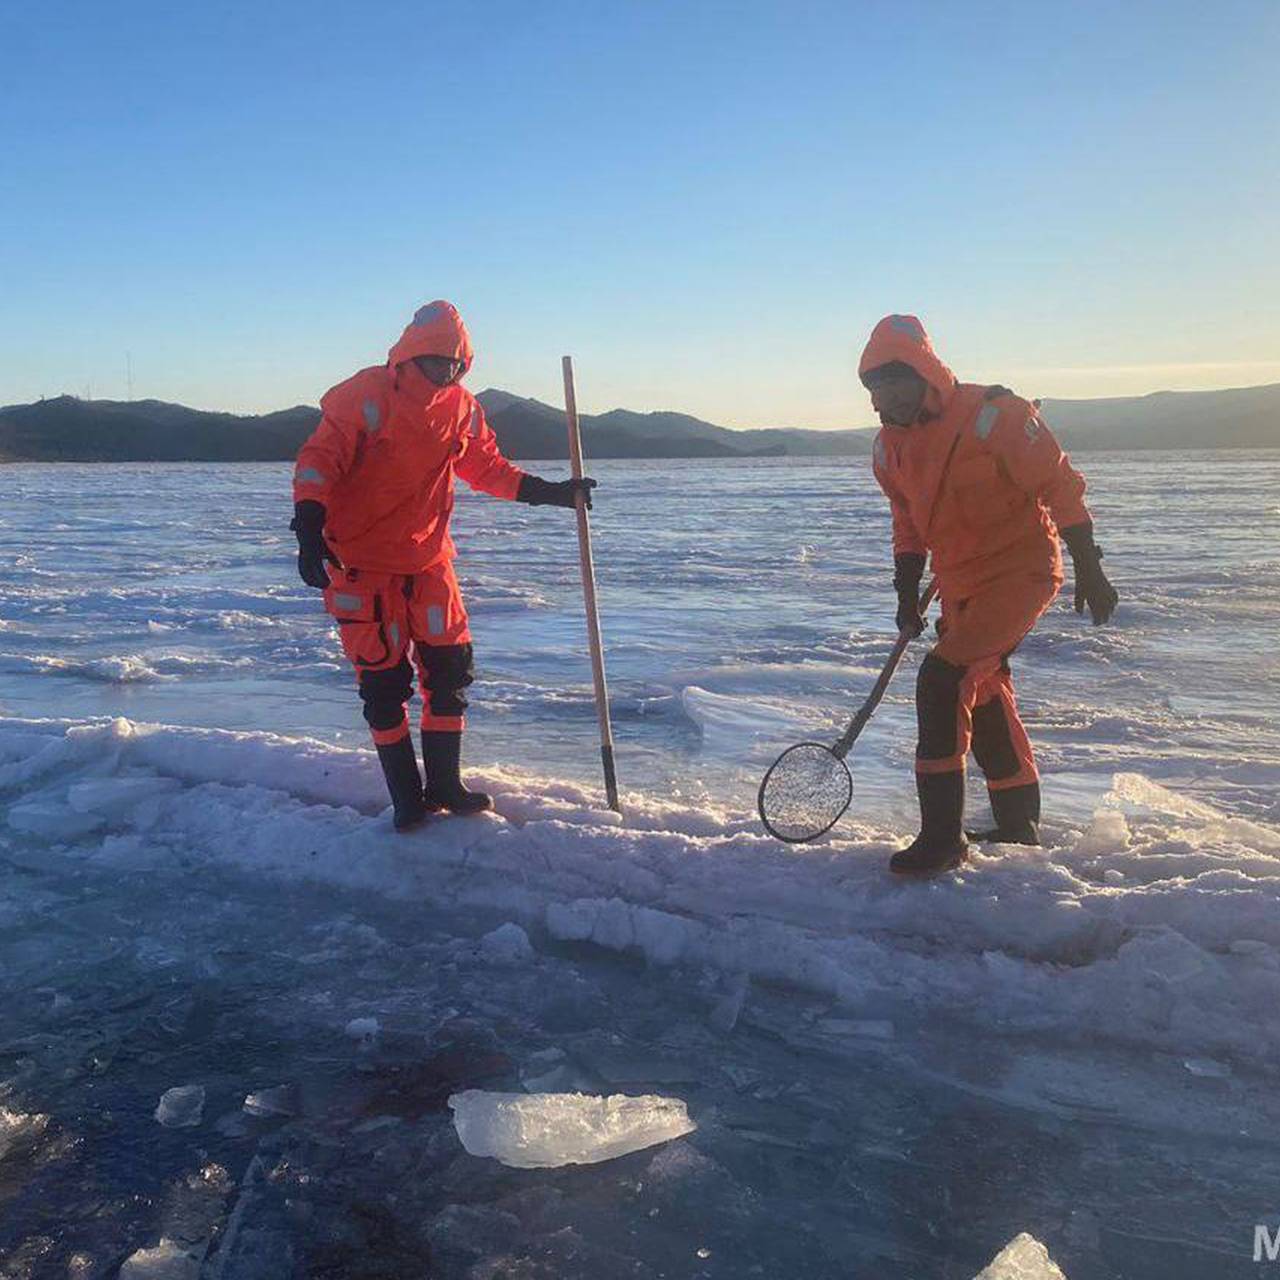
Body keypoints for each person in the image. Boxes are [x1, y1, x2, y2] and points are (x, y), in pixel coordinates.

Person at [290, 300, 596, 831]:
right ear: (411, 356)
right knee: (384, 684)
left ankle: (445, 783)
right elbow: (321, 458)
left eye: (457, 365)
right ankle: (408, 797)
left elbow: (485, 466)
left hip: (429, 560)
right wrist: (309, 523)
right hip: (362, 563)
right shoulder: (365, 396)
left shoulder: (461, 407)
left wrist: (550, 493)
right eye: (438, 362)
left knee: (450, 671)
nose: (447, 373)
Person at [860, 313, 1117, 875]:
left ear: (923, 374)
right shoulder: (888, 450)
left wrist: (1088, 565)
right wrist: (906, 589)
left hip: (1020, 574)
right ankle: (1018, 821)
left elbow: (1059, 484)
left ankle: (941, 840)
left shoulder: (993, 415)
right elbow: (907, 523)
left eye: (892, 387)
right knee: (982, 688)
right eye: (874, 391)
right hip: (960, 583)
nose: (883, 404)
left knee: (943, 679)